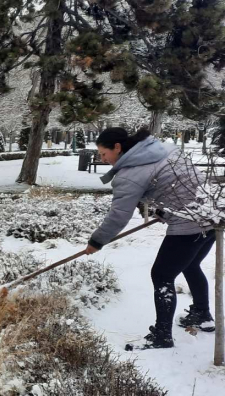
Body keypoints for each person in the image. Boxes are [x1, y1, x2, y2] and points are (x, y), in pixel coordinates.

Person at [86, 127, 213, 350]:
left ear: (117, 147)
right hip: (212, 215)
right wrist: (166, 210)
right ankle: (201, 315)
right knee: (191, 264)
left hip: (189, 224)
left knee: (162, 275)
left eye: (104, 154)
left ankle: (162, 336)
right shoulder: (162, 149)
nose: (102, 159)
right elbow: (180, 184)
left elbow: (118, 215)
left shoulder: (130, 173)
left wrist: (97, 241)